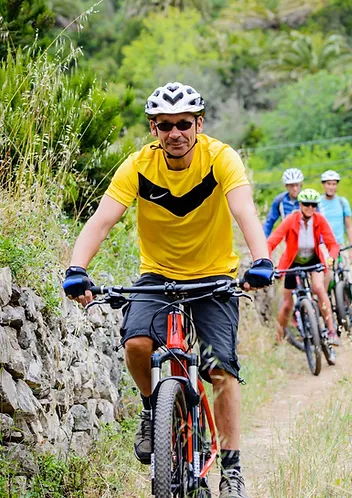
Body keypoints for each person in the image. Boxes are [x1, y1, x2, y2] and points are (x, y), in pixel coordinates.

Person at [62, 81, 273, 498]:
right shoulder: (138, 166)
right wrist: (76, 268)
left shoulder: (221, 158)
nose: (175, 133)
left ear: (199, 123)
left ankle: (231, 469)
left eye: (183, 124)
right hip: (157, 275)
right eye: (164, 126)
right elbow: (102, 221)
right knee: (137, 345)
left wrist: (262, 259)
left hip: (214, 276)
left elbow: (244, 209)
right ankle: (150, 410)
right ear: (153, 129)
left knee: (220, 371)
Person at [267, 188, 340, 346]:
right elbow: (272, 241)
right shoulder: (290, 220)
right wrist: (265, 261)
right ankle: (278, 340)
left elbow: (332, 244)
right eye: (306, 204)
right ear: (300, 204)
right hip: (292, 262)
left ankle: (331, 330)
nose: (310, 208)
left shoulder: (319, 220)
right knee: (287, 304)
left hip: (314, 260)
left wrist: (331, 258)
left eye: (313, 205)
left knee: (319, 288)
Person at [263, 168, 304, 237]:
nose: (295, 189)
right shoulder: (279, 200)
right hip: (288, 240)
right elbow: (270, 222)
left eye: (297, 185)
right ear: (286, 186)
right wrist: (263, 240)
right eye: (291, 185)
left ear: (301, 185)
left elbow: (318, 221)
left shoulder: (308, 199)